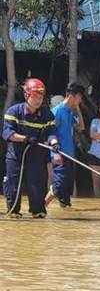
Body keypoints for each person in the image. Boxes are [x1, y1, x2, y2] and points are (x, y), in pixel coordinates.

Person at [3, 78, 61, 218]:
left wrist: (54, 144)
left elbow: (52, 132)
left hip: (36, 156)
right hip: (16, 156)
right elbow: (7, 133)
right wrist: (25, 139)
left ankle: (37, 212)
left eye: (41, 97)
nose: (38, 100)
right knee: (13, 186)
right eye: (35, 97)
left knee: (37, 186)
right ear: (26, 95)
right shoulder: (14, 112)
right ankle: (13, 212)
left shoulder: (47, 114)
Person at [45, 83, 85, 208]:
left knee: (66, 188)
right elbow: (50, 133)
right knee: (59, 185)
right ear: (72, 96)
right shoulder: (56, 111)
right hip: (59, 153)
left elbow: (81, 127)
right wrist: (56, 152)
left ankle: (66, 215)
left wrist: (77, 109)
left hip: (69, 153)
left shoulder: (70, 112)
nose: (80, 100)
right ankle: (41, 207)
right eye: (80, 97)